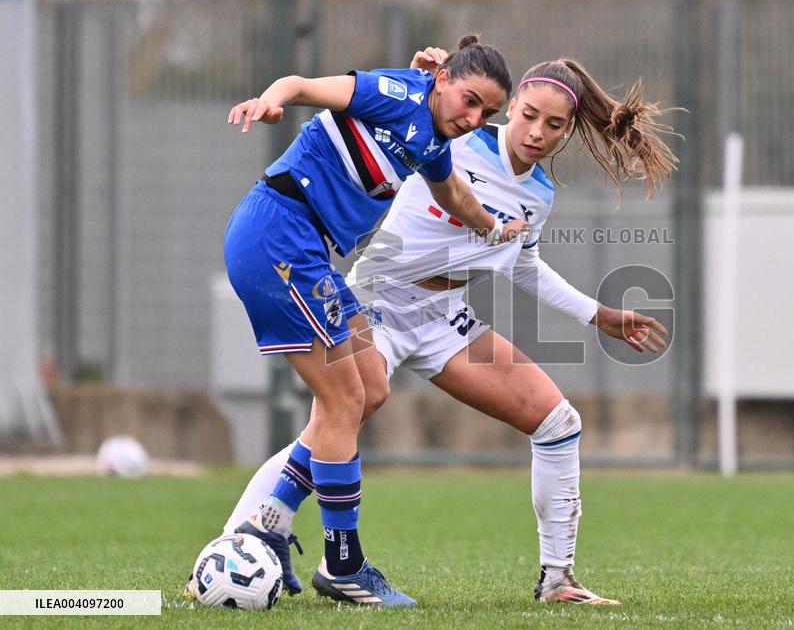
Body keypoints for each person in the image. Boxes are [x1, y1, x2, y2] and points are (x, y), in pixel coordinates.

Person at [213, 47, 679, 606]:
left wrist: (596, 313)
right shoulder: (454, 134)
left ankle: (558, 580)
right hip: (379, 299)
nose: (536, 131)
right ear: (514, 107)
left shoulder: (538, 193)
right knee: (342, 409)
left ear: (568, 131)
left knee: (558, 422)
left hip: (443, 319)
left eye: (554, 125)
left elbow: (523, 264)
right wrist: (418, 71)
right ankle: (239, 544)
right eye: (529, 114)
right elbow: (414, 104)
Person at [219, 35, 524, 608]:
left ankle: (267, 523)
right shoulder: (395, 93)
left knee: (370, 387)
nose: (474, 119)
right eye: (470, 101)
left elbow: (454, 194)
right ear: (442, 80)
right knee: (342, 399)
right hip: (278, 236)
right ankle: (343, 566)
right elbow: (303, 85)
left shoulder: (433, 136)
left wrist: (493, 228)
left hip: (305, 249)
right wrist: (271, 101)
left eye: (487, 113)